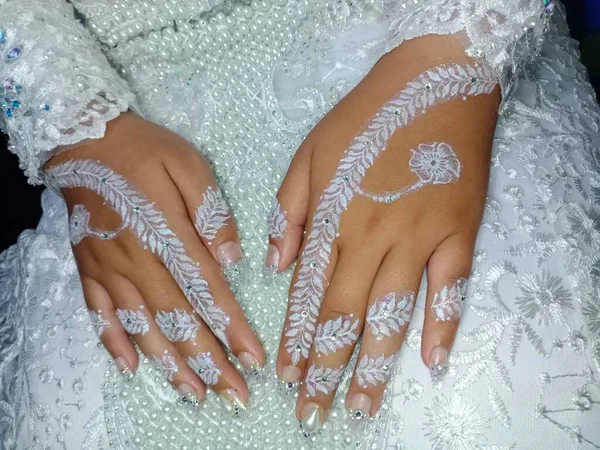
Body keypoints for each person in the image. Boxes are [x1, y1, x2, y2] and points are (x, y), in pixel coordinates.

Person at [0, 0, 599, 448]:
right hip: (105, 96)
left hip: (432, 31)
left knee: (483, 397)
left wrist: (452, 52)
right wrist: (69, 119)